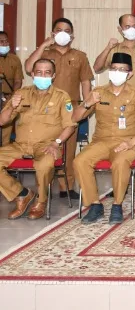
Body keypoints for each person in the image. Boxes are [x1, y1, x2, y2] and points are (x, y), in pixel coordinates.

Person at [73, 53, 135, 225]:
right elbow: (75, 118)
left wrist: (131, 143)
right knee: (80, 161)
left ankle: (117, 205)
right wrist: (87, 103)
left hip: (127, 143)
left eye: (122, 70)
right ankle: (95, 205)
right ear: (109, 71)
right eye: (114, 68)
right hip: (100, 142)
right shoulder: (98, 92)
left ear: (129, 74)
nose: (117, 72)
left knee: (120, 162)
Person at [25, 18, 94, 200]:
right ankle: (43, 187)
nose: (63, 33)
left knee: (69, 149)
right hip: (45, 107)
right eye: (59, 29)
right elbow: (29, 67)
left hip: (70, 108)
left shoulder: (80, 56)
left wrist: (86, 106)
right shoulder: (45, 53)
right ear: (53, 33)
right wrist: (43, 45)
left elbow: (85, 82)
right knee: (44, 146)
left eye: (67, 30)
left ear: (72, 36)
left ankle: (67, 187)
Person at [0, 59, 76, 220]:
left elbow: (70, 126)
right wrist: (12, 106)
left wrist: (56, 143)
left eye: (47, 73)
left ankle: (41, 201)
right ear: (32, 74)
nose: (43, 76)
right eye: (39, 72)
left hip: (47, 146)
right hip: (21, 146)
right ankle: (22, 194)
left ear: (53, 76)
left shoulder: (62, 97)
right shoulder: (21, 94)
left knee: (44, 165)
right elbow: (2, 121)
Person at [94, 14, 135, 197]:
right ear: (120, 29)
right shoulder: (114, 50)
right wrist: (108, 47)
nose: (132, 29)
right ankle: (119, 183)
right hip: (116, 102)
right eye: (127, 26)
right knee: (117, 142)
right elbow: (97, 67)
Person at [0, 31, 24, 147]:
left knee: (6, 131)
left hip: (7, 99)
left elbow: (18, 81)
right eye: (1, 41)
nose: (5, 44)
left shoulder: (15, 59)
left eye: (6, 41)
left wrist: (12, 97)